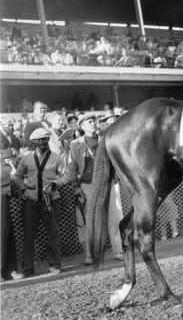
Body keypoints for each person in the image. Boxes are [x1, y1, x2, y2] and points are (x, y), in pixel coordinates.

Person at [13, 128, 69, 277]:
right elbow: (17, 176)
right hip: (31, 201)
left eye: (45, 139)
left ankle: (55, 265)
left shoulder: (57, 158)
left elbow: (66, 176)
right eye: (39, 140)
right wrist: (23, 190)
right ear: (34, 142)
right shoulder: (26, 158)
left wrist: (55, 184)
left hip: (51, 201)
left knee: (53, 233)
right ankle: (27, 269)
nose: (43, 142)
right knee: (29, 235)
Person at [68, 114, 123, 264]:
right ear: (82, 126)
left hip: (106, 182)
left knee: (114, 216)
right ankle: (90, 255)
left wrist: (115, 176)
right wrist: (75, 187)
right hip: (87, 185)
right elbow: (72, 166)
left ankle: (118, 250)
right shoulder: (75, 144)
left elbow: (115, 159)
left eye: (94, 121)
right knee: (90, 220)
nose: (93, 124)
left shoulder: (106, 139)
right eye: (89, 122)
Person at [1, 148, 21, 281]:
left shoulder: (8, 165)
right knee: (2, 234)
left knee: (8, 235)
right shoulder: (6, 168)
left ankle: (10, 270)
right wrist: (11, 166)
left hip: (5, 198)